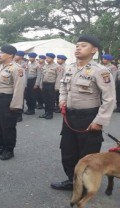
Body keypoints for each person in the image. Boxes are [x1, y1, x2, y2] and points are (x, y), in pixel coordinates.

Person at [50, 35, 116, 190]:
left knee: (88, 154)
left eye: (83, 45)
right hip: (70, 116)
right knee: (67, 150)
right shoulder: (70, 67)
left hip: (89, 117)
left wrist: (99, 121)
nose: (78, 47)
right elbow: (63, 87)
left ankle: (86, 184)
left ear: (94, 50)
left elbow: (109, 99)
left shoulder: (100, 71)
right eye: (77, 45)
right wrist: (62, 100)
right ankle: (72, 181)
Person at [0, 45, 25, 160]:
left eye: (2, 53)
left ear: (10, 55)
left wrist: (15, 105)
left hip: (7, 100)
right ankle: (2, 146)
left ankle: (9, 149)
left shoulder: (17, 69)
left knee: (7, 126)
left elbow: (19, 88)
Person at [39, 53, 62, 119]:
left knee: (51, 100)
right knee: (45, 99)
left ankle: (50, 114)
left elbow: (59, 77)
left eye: (48, 58)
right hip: (45, 84)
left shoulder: (57, 67)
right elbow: (42, 76)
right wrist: (41, 85)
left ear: (52, 58)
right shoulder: (45, 66)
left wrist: (57, 87)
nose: (46, 59)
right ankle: (46, 112)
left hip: (52, 84)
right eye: (46, 58)